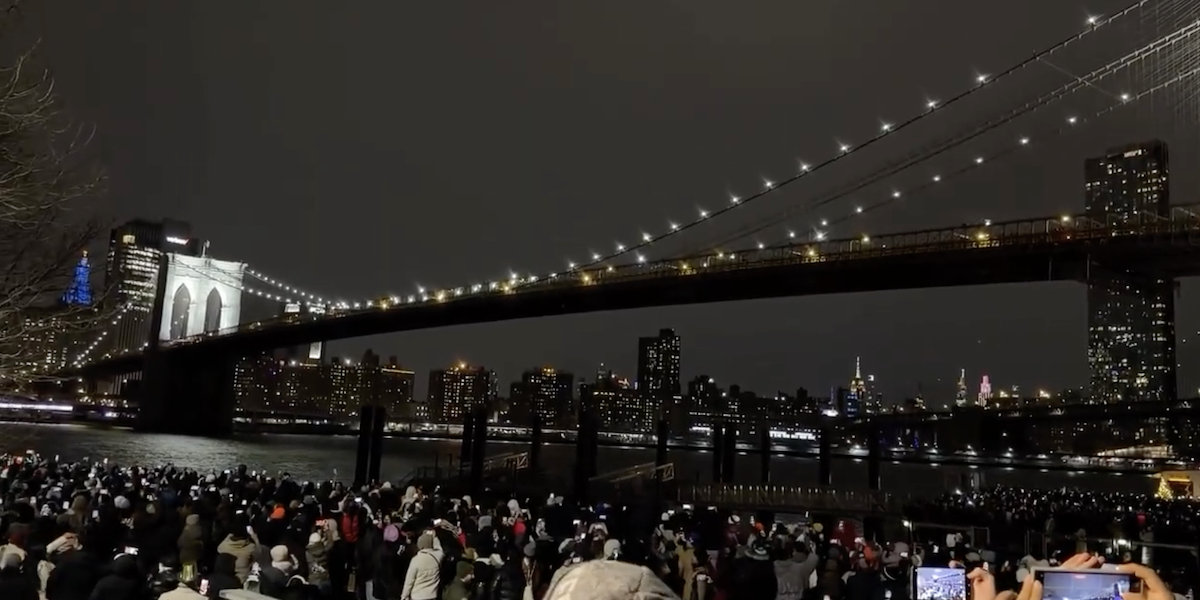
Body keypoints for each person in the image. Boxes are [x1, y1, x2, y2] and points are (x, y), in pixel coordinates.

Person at [401, 531, 442, 600]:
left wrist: (404, 596)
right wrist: (434, 537)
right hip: (432, 596)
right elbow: (439, 548)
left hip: (417, 596)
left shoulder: (416, 560)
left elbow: (409, 581)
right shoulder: (437, 556)